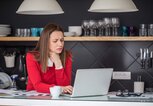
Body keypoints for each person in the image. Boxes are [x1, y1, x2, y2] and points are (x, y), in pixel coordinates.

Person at [26, 23, 73, 94]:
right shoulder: (32, 57)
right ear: (46, 42)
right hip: (35, 97)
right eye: (55, 41)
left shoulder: (67, 56)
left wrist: (58, 63)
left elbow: (65, 86)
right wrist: (60, 89)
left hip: (58, 98)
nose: (60, 44)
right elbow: (38, 85)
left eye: (62, 40)